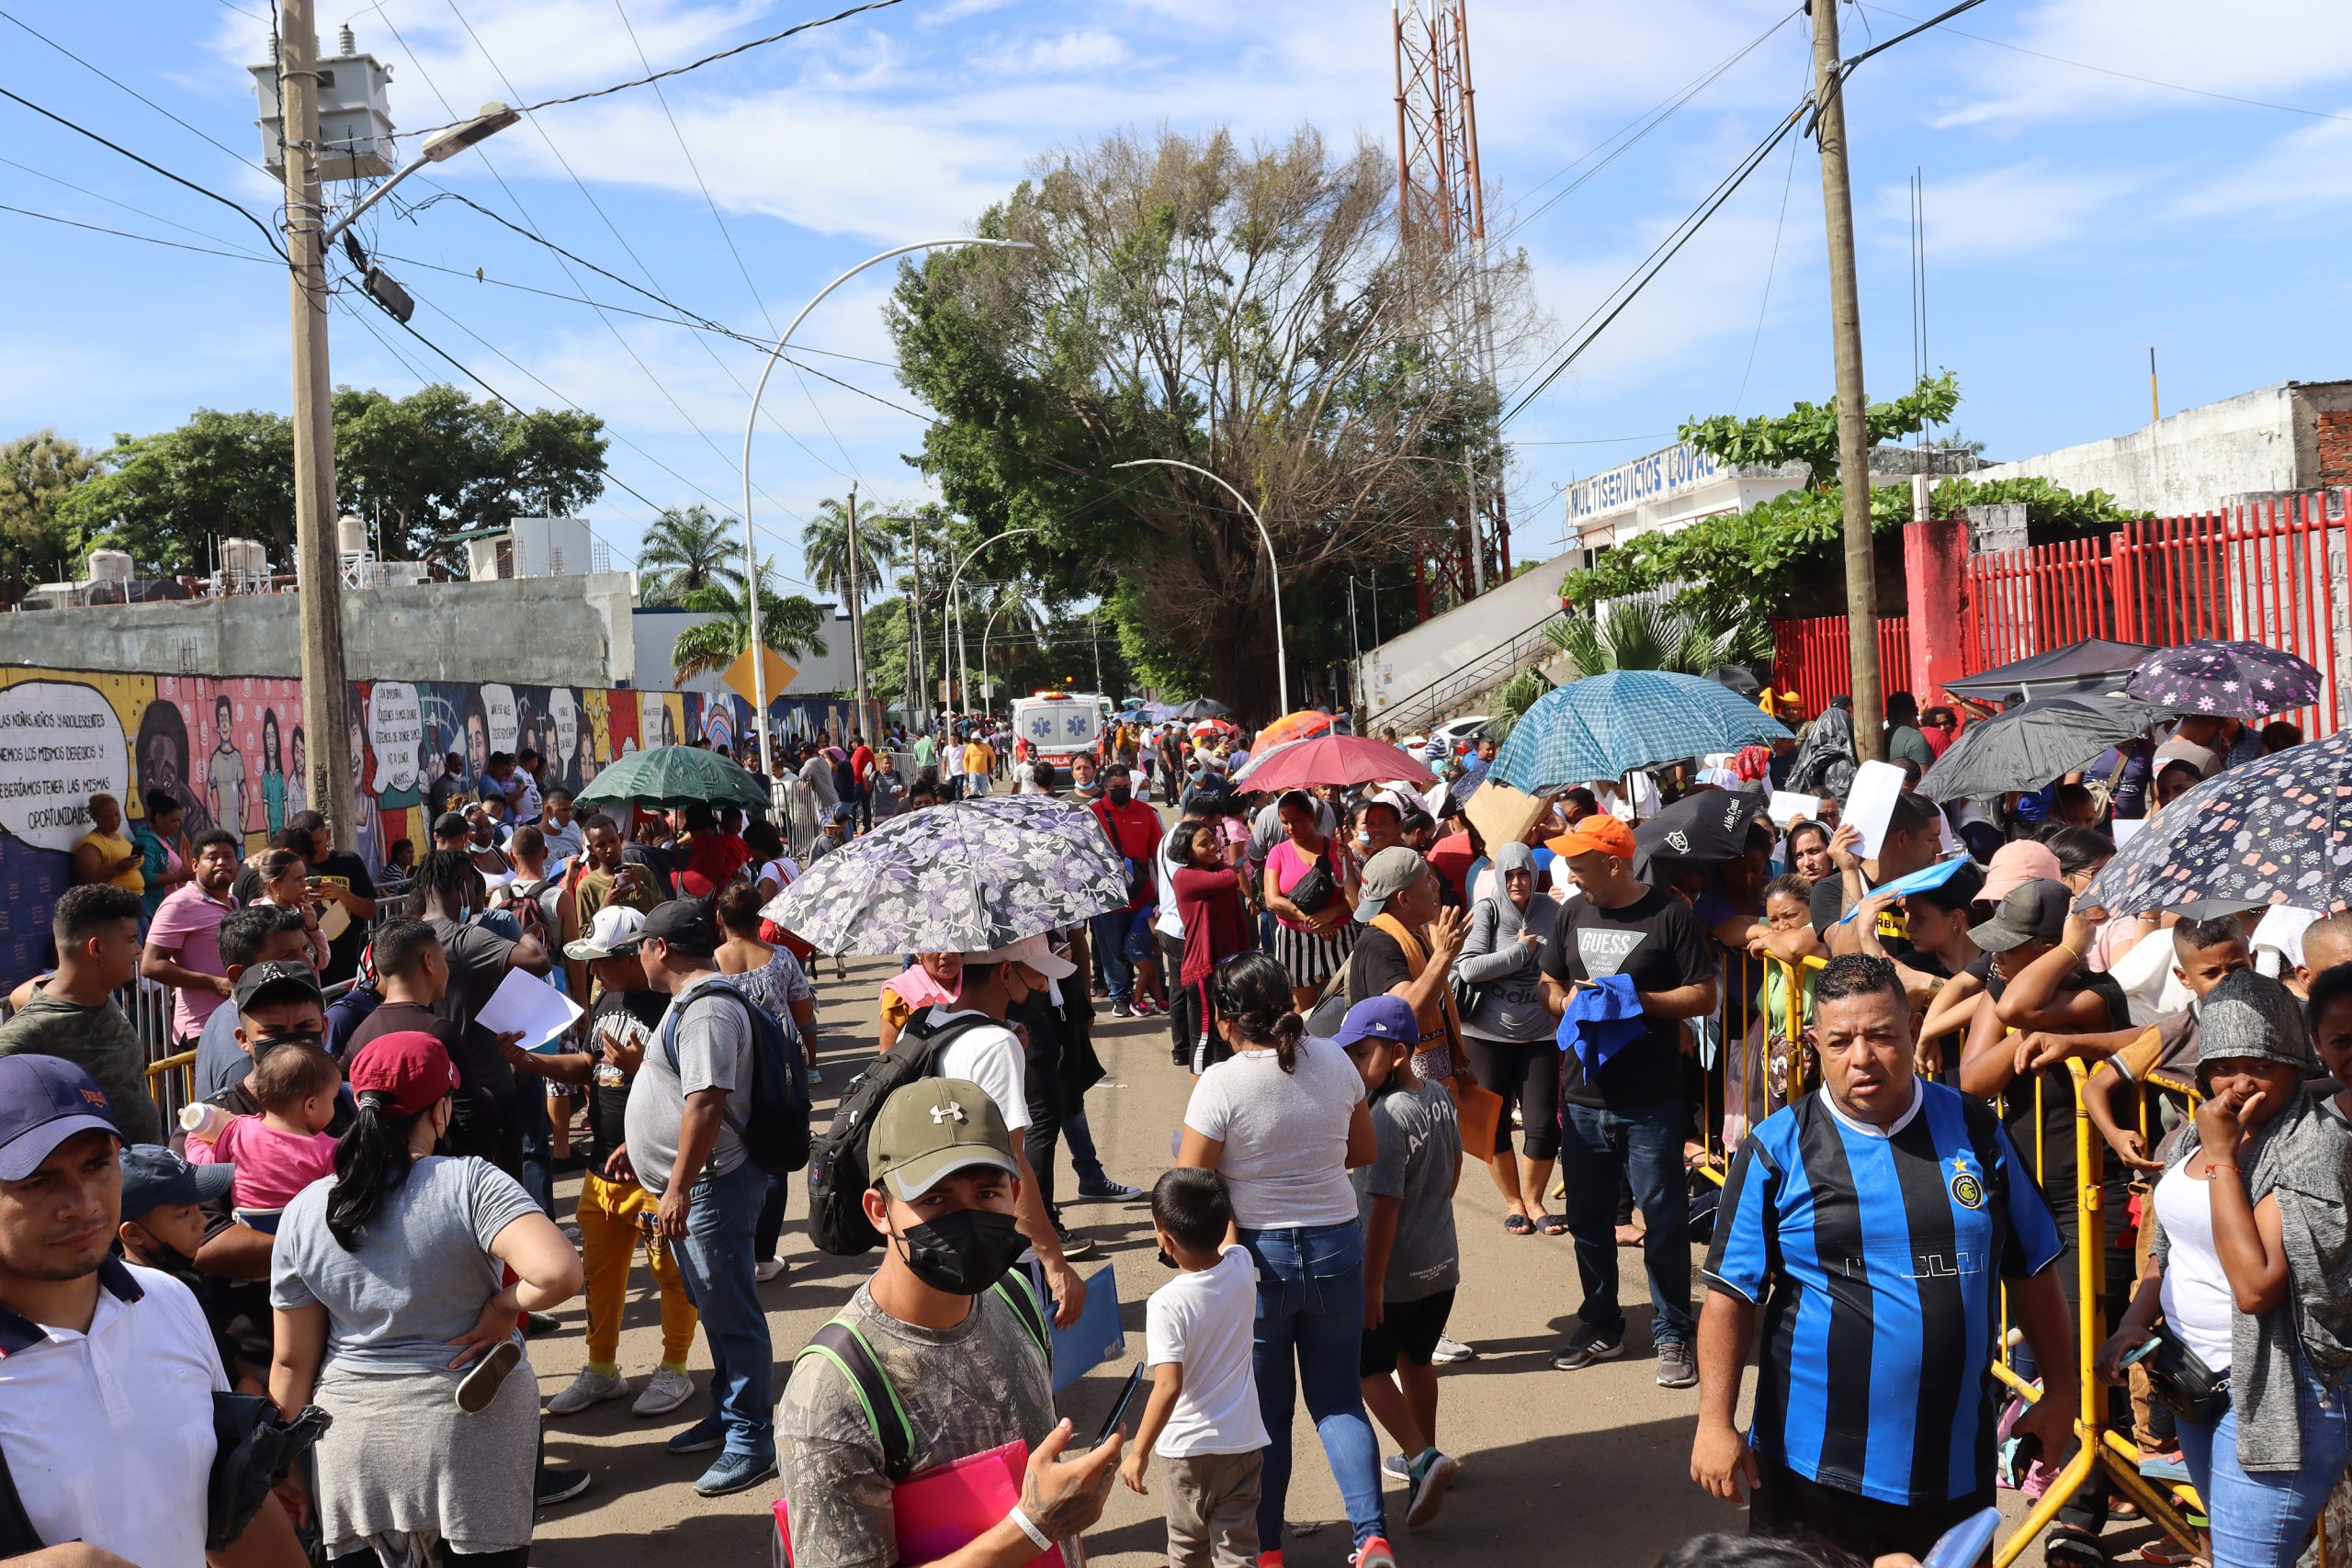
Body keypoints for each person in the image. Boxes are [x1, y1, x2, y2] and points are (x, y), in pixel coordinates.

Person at [1693, 954, 2076, 1563]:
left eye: (1881, 1035)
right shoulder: (1778, 1147)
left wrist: (2062, 1389)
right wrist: (1715, 1420)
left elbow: (2031, 1266)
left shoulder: (1976, 1129)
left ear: (1914, 1028)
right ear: (1816, 1043)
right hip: (1813, 1469)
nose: (1862, 1057)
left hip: (1954, 1464)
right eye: (1841, 1041)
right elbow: (1729, 1295)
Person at [775, 1078, 1123, 1568]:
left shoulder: (1015, 1297)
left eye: (986, 1192)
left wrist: (1059, 1524)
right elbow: (1042, 1520)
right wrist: (1033, 1528)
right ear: (879, 1211)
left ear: (1015, 1194)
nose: (967, 1217)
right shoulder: (832, 1395)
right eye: (935, 1200)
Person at [268, 1031, 583, 1568]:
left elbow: (291, 1362)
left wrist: (284, 1466)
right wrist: (505, 1306)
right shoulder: (470, 1182)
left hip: (353, 1444)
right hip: (469, 1429)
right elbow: (557, 1273)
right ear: (440, 1110)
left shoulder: (305, 1209)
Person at [0, 1053, 307, 1568]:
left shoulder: (168, 1298)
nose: (82, 1203)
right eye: (36, 1180)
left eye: (97, 1165)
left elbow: (229, 1511)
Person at [2096, 970, 2352, 1568]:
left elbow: (2258, 1286)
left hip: (2277, 1397)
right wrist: (2135, 1321)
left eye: (2260, 1061)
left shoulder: (2313, 1146)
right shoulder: (2197, 1132)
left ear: (2294, 1057)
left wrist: (2222, 1159)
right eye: (2222, 1062)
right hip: (2195, 1388)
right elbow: (2167, 1246)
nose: (2238, 1080)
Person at [1179, 951, 1393, 1568]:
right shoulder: (1333, 1058)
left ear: (1225, 1019)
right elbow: (1363, 1148)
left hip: (1259, 1259)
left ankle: (1265, 1551)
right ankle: (1372, 1537)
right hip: (1335, 1244)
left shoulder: (1221, 1081)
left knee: (1266, 1414)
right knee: (1338, 1400)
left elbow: (1190, 1183)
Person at [1538, 812, 1718, 1385]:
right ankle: (1601, 1322)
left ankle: (1672, 1331)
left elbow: (1705, 994)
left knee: (1662, 1220)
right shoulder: (1571, 911)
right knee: (1589, 1222)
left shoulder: (1670, 915)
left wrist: (1636, 1000)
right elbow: (1548, 982)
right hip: (1584, 1098)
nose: (1569, 872)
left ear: (1614, 863)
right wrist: (1564, 1001)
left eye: (1580, 863)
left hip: (1650, 1101)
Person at [628, 897, 779, 1494]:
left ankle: (751, 1439)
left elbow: (708, 1101)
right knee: (715, 1309)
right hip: (698, 1187)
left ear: (660, 948)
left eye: (641, 943)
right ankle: (726, 1413)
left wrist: (679, 1185)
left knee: (732, 1311)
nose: (638, 954)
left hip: (711, 1188)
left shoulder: (708, 1009)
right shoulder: (688, 1005)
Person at [539, 905, 700, 1420]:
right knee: (600, 1278)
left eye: (602, 960)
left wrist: (643, 1071)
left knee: (671, 1276)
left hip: (654, 1174)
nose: (595, 970)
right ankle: (601, 1369)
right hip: (600, 1173)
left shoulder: (675, 1006)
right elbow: (589, 1065)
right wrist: (528, 1061)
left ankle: (674, 1369)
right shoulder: (606, 995)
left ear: (637, 952)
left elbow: (700, 1097)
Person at [1337, 996, 1464, 1529]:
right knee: (1417, 1360)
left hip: (1393, 1277)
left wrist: (1369, 1287)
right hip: (1441, 1265)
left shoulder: (1384, 1118)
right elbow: (1454, 1169)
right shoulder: (1437, 1095)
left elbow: (1384, 1212)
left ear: (1396, 1053)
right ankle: (1425, 1461)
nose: (1350, 1064)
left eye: (1360, 1052)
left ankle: (1421, 1456)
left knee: (1363, 1371)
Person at [1122, 1167, 1268, 1568]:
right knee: (1238, 1552)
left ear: (1164, 1240)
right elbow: (1232, 1236)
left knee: (1188, 1551)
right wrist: (1222, 1173)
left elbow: (1167, 1387)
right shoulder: (1240, 1267)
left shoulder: (1166, 1304)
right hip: (1242, 1443)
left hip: (1186, 1452)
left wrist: (1138, 1452)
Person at [1452, 840, 1566, 1235]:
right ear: (1499, 876)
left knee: (1542, 1125)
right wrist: (1521, 952)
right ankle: (1513, 1200)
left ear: (1535, 875)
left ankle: (1534, 1201)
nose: (1517, 881)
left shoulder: (1553, 911)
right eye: (1510, 874)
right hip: (1485, 1035)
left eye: (1524, 873)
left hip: (1539, 1036)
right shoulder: (1488, 910)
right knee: (1495, 1125)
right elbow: (1468, 969)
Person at [0, 884, 164, 1146]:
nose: (139, 951)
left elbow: (21, 993)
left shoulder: (95, 988)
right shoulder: (30, 1031)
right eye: (131, 940)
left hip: (146, 1171)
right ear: (96, 949)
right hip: (104, 1183)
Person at [714, 881, 820, 1274]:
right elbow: (804, 1017)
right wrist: (811, 1062)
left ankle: (738, 1252)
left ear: (720, 918)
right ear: (761, 918)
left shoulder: (711, 964)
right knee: (773, 1161)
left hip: (729, 1069)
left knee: (733, 1155)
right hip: (779, 1072)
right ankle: (763, 1256)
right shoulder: (783, 959)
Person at [1346, 846, 1467, 1092]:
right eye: (1426, 879)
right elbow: (1405, 1015)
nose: (1435, 885)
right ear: (1404, 899)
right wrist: (1444, 954)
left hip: (1426, 1092)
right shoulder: (1378, 944)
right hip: (1395, 1100)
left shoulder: (1414, 935)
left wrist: (1458, 1069)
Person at [183, 1041, 340, 1229]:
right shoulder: (330, 1150)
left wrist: (195, 1135)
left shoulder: (236, 1130)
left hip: (249, 1232)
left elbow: (203, 1167)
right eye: (333, 1099)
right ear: (311, 1106)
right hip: (303, 1232)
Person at [145, 828, 243, 1048]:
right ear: (195, 865)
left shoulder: (234, 903)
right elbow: (150, 965)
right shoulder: (179, 904)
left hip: (237, 1023)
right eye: (212, 857)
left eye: (228, 857)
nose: (221, 863)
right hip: (201, 1030)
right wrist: (211, 982)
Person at [1169, 819, 1250, 1075]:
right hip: (1204, 969)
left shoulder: (1214, 870)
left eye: (1213, 840)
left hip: (1229, 964)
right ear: (1186, 850)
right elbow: (1230, 878)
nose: (1213, 846)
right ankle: (1199, 1094)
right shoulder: (1185, 876)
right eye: (1203, 844)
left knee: (1228, 1031)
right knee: (1204, 1035)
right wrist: (1228, 866)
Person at [1264, 788, 1356, 1013]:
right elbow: (1272, 901)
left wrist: (1330, 915)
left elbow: (1355, 900)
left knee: (1340, 1009)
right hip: (1294, 942)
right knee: (1302, 1012)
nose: (1290, 828)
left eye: (1296, 821)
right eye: (1285, 822)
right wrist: (1315, 921)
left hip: (1339, 938)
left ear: (1311, 817)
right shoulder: (1278, 853)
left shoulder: (1339, 850)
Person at [1089, 763, 1164, 1019]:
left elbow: (1157, 854)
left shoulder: (1145, 812)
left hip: (1142, 896)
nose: (1121, 791)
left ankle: (1157, 995)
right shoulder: (1092, 814)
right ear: (1105, 787)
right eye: (1115, 787)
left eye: (1124, 787)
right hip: (1107, 899)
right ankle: (1120, 996)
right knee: (1111, 952)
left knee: (1149, 948)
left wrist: (1163, 893)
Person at [254, 848, 329, 973]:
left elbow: (321, 962)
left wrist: (313, 928)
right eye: (297, 879)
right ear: (275, 885)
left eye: (304, 877)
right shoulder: (262, 920)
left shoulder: (299, 911)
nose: (305, 884)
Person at [132, 789, 195, 919]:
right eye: (174, 821)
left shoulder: (165, 841)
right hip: (153, 909)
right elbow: (147, 878)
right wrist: (179, 877)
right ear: (159, 818)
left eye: (179, 821)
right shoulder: (147, 843)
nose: (178, 825)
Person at [74, 791, 145, 893]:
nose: (115, 820)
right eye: (108, 818)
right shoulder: (91, 845)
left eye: (117, 814)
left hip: (137, 897)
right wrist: (117, 868)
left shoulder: (118, 835)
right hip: (116, 902)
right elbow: (87, 882)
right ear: (95, 818)